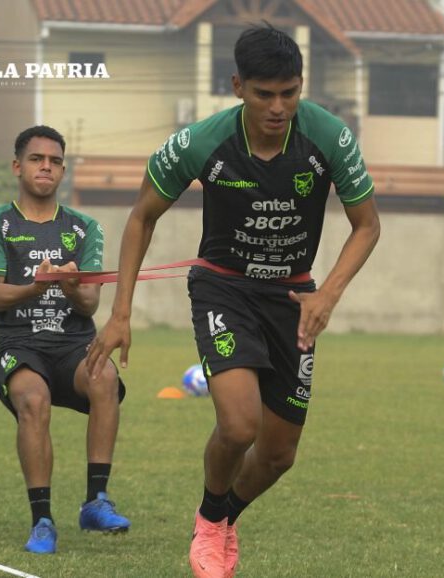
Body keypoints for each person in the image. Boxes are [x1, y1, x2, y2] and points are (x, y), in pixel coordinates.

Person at [85, 24, 380, 578]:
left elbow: (367, 225)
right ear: (237, 85)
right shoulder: (200, 141)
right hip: (224, 289)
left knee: (277, 455)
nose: (278, 106)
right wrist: (120, 312)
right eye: (264, 94)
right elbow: (141, 216)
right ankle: (208, 517)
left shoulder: (329, 136)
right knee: (240, 426)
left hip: (294, 298)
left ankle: (225, 518)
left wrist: (329, 294)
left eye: (289, 93)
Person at [0, 126, 130, 554]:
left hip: (71, 345)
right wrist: (35, 286)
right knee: (33, 400)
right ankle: (42, 521)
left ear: (63, 169)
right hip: (17, 344)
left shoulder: (83, 228)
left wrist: (68, 285)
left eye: (55, 161)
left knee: (105, 377)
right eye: (37, 159)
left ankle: (95, 502)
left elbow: (89, 304)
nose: (46, 166)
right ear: (17, 166)